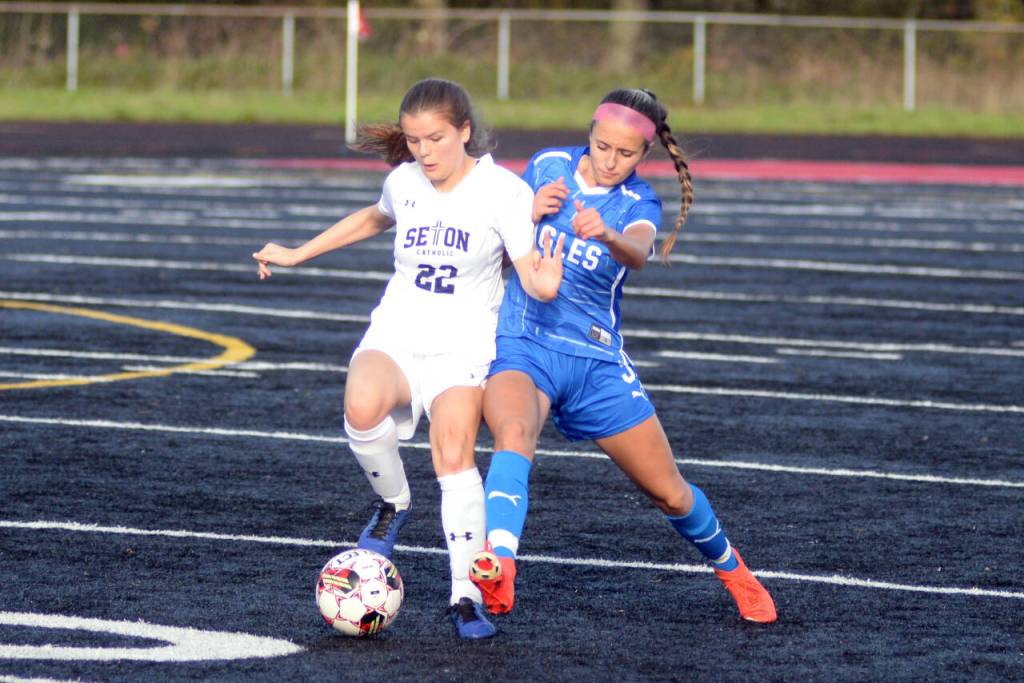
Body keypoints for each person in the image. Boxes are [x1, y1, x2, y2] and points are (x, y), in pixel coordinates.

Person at [253, 78, 565, 639]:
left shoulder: (505, 192)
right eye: (415, 140)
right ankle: (394, 504)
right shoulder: (403, 181)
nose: (424, 152)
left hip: (463, 344)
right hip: (397, 329)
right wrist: (299, 253)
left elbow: (531, 277)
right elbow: (376, 216)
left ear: (464, 131)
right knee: (360, 404)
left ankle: (465, 596)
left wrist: (547, 282)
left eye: (435, 139)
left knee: (453, 456)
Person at [468, 88, 777, 625]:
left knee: (670, 494)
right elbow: (495, 235)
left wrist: (607, 234)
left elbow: (637, 251)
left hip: (596, 362)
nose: (611, 161)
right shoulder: (547, 164)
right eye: (602, 146)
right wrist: (527, 211)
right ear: (589, 133)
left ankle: (736, 573)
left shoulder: (639, 203)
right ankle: (501, 562)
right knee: (514, 432)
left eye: (626, 153)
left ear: (645, 154)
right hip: (524, 341)